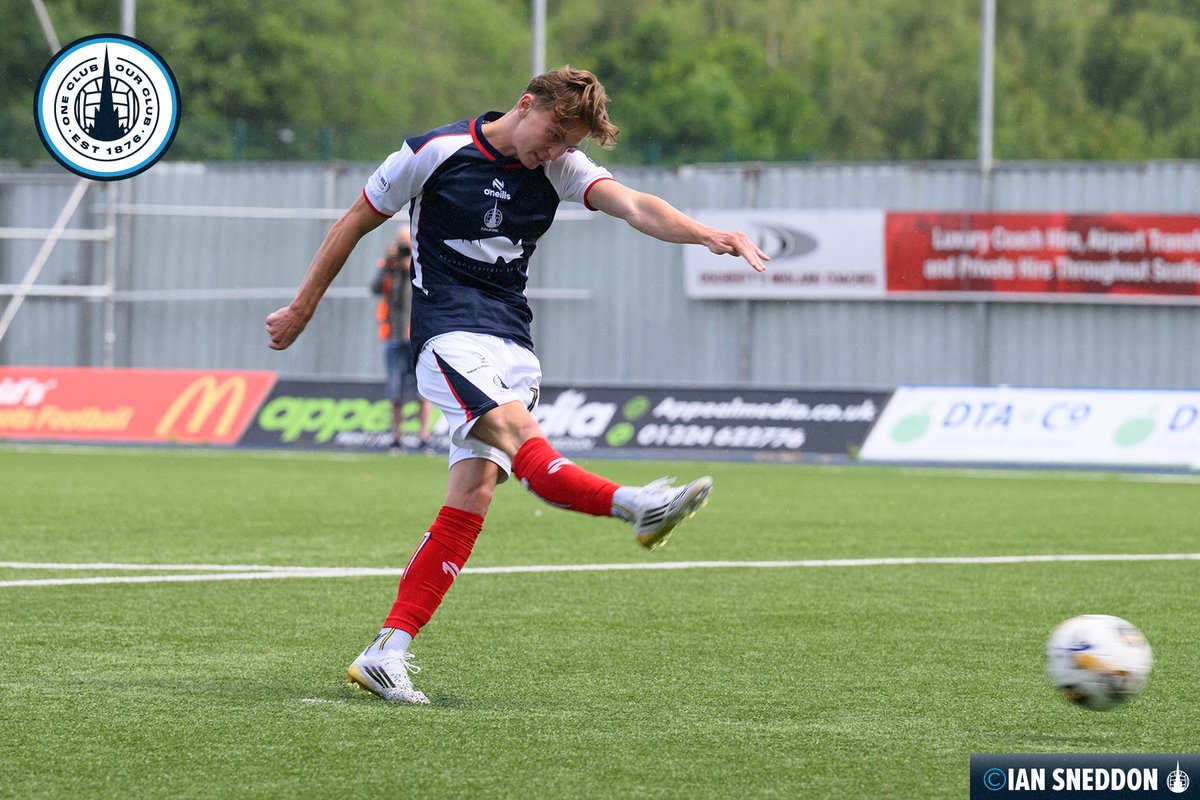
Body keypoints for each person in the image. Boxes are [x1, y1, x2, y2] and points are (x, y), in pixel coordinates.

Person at [266, 67, 768, 704]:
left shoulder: (560, 168)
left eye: (569, 142)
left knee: (472, 496)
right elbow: (352, 223)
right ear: (524, 104)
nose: (557, 149)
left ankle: (387, 652)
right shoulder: (433, 152)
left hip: (513, 343)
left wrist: (708, 235)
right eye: (554, 132)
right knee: (521, 438)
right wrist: (304, 306)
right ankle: (635, 505)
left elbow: (636, 206)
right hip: (449, 335)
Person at [371, 227, 433, 452]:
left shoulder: (422, 264)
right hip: (394, 336)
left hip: (417, 337)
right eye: (401, 246)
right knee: (395, 390)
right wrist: (389, 266)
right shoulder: (389, 267)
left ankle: (423, 437)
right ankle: (396, 437)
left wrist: (411, 268)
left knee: (422, 390)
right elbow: (375, 289)